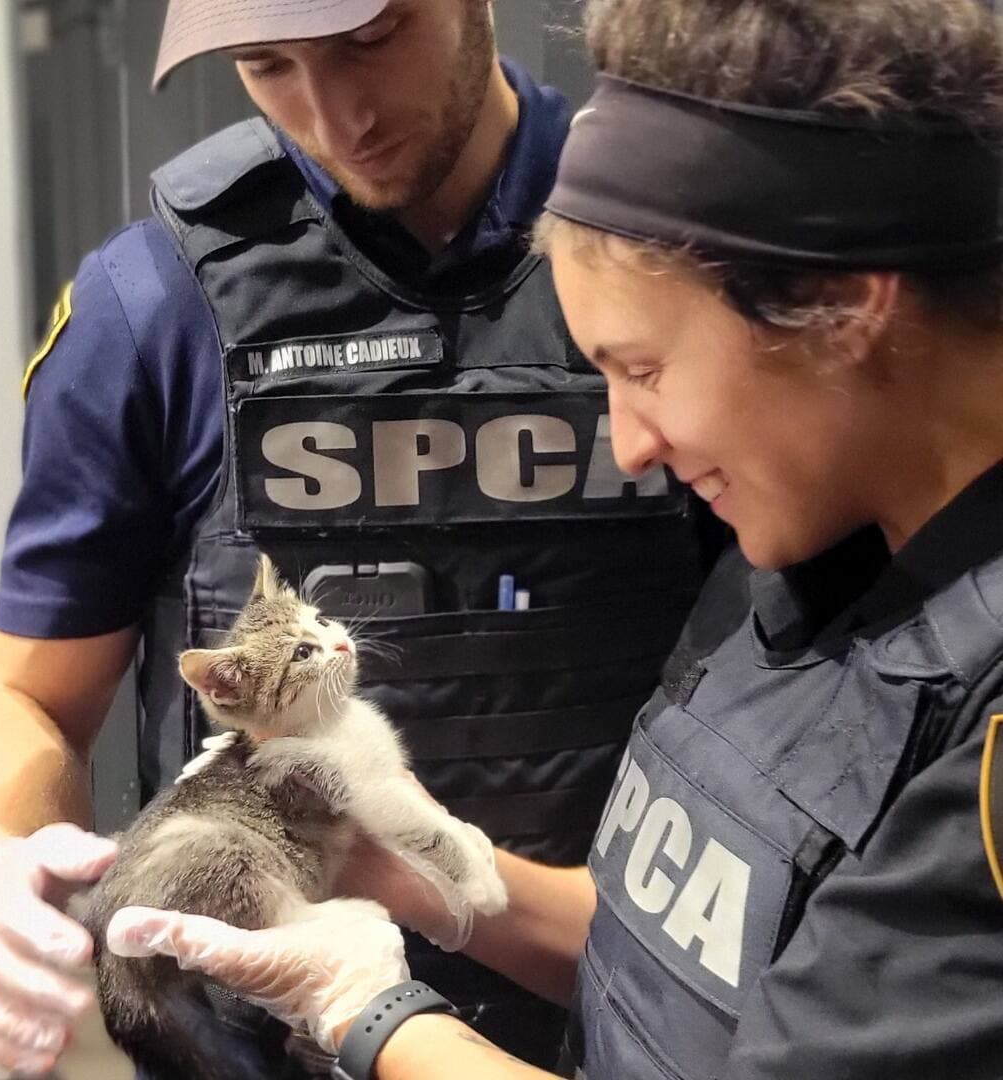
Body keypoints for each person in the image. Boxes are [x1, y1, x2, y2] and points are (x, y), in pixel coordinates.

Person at [100, 0, 1003, 1077]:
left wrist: (368, 1013)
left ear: (842, 307)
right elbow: (674, 964)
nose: (627, 447)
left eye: (645, 369)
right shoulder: (788, 584)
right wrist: (422, 875)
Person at [0, 1, 714, 1076]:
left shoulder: (672, 246)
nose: (336, 115)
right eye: (268, 64)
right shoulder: (149, 304)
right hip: (258, 1036)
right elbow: (30, 696)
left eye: (370, 41)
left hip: (615, 1016)